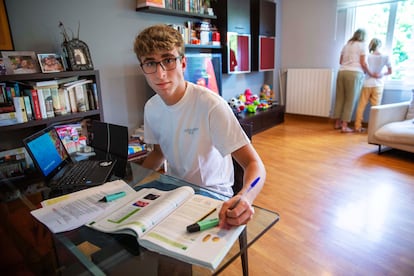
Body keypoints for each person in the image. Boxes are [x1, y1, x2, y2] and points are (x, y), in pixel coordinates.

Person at [133, 24, 266, 229]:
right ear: (143, 68)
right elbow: (159, 152)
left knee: (167, 248)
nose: (160, 74)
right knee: (124, 221)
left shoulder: (210, 105)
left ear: (183, 63)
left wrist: (246, 197)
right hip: (174, 187)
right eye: (150, 63)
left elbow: (254, 165)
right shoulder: (151, 107)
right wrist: (132, 183)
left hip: (212, 194)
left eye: (168, 60)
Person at [332, 29, 372, 133]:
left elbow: (340, 61)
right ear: (363, 36)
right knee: (350, 100)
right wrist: (369, 72)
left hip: (341, 73)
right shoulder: (362, 45)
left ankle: (337, 123)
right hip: (354, 73)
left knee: (340, 98)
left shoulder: (346, 45)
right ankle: (345, 126)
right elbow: (363, 63)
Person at [354, 38, 392, 132]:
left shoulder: (367, 56)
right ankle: (373, 128)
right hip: (378, 84)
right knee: (376, 107)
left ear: (371, 45)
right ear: (380, 45)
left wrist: (370, 73)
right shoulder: (386, 57)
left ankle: (357, 126)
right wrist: (380, 74)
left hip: (367, 83)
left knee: (361, 106)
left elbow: (363, 69)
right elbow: (390, 71)